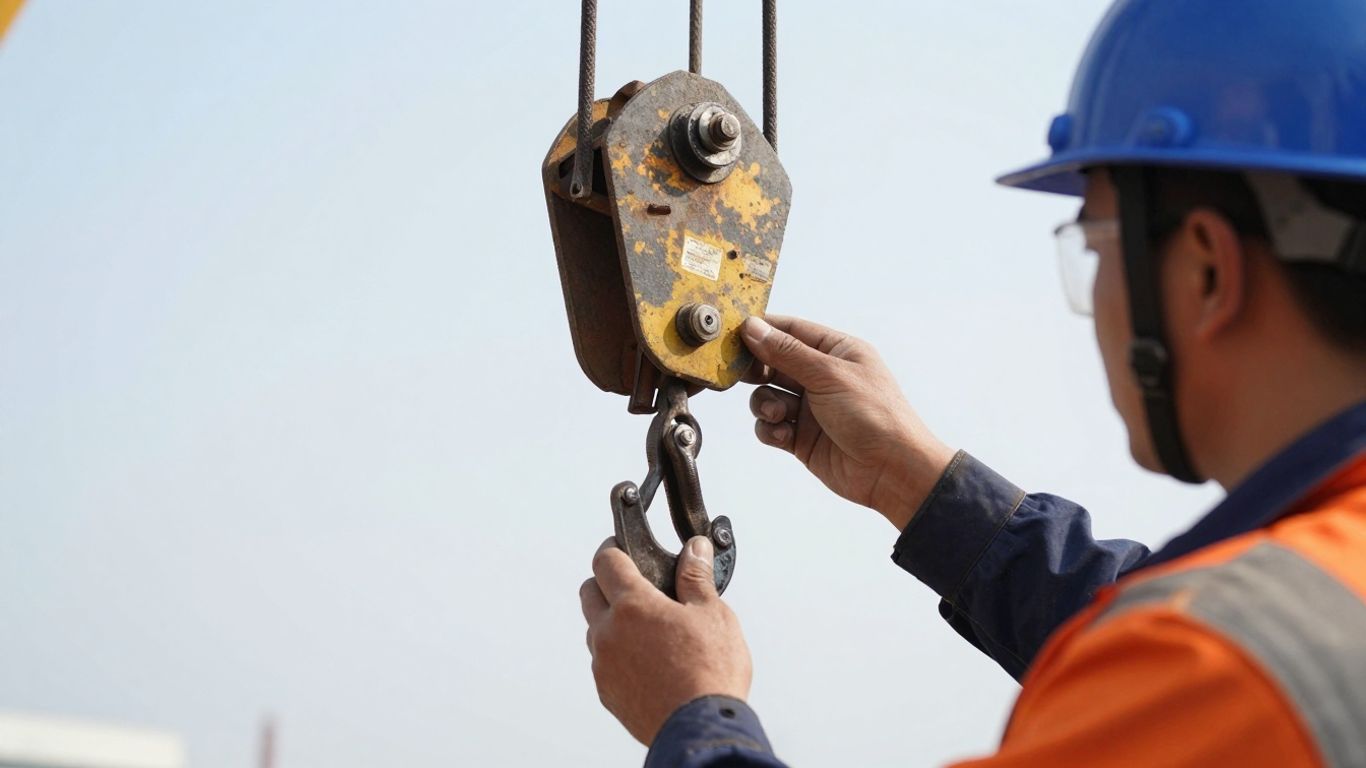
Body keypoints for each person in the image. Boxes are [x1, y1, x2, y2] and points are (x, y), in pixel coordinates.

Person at [579, 0, 1366, 765]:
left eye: (1093, 243)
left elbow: (1181, 647)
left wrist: (694, 717)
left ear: (1206, 269)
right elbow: (1132, 609)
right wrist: (913, 477)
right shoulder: (1313, 599)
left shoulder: (1222, 670)